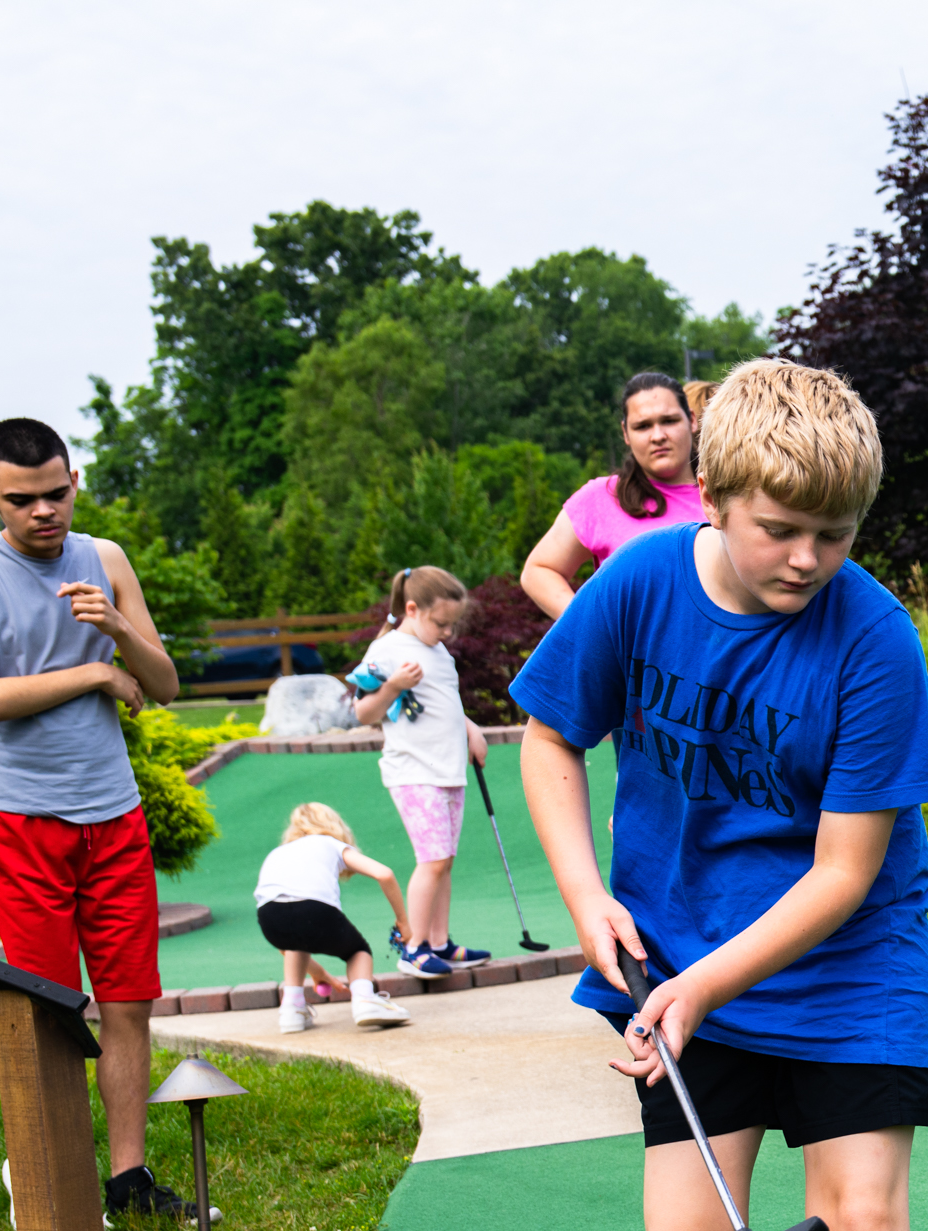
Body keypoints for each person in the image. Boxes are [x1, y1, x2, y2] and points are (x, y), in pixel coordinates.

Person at [512, 357, 928, 1231]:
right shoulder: (638, 585)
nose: (809, 559)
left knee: (859, 1226)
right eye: (781, 529)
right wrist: (586, 893)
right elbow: (548, 735)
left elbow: (844, 872)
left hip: (844, 966)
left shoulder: (872, 636)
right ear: (709, 493)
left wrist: (705, 984)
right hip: (680, 952)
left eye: (836, 533)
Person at [0, 416, 204, 1223]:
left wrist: (118, 631)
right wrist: (94, 674)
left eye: (56, 493)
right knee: (49, 1008)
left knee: (128, 1000)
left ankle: (129, 1179)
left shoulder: (106, 558)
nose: (44, 511)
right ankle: (48, 1172)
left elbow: (164, 684)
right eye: (22, 499)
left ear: (75, 482)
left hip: (114, 812)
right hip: (22, 815)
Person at [347, 566, 491, 973]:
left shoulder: (439, 652)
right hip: (413, 772)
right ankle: (414, 948)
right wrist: (393, 685)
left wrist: (471, 729)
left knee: (445, 860)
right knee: (432, 859)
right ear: (412, 609)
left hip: (449, 770)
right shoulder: (387, 650)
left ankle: (439, 944)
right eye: (440, 623)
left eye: (452, 624)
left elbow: (446, 701)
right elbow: (363, 712)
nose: (447, 632)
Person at [519, 373, 705, 618]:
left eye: (669, 421)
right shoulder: (603, 497)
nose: (658, 435)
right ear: (626, 433)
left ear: (691, 420)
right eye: (643, 426)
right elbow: (539, 571)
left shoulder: (724, 493)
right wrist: (590, 626)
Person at [254, 804, 413, 1031]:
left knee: (293, 945)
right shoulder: (330, 843)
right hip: (315, 911)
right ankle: (365, 1001)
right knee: (357, 951)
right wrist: (403, 922)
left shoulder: (278, 852)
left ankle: (292, 1009)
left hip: (269, 917)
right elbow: (384, 874)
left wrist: (318, 973)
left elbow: (285, 946)